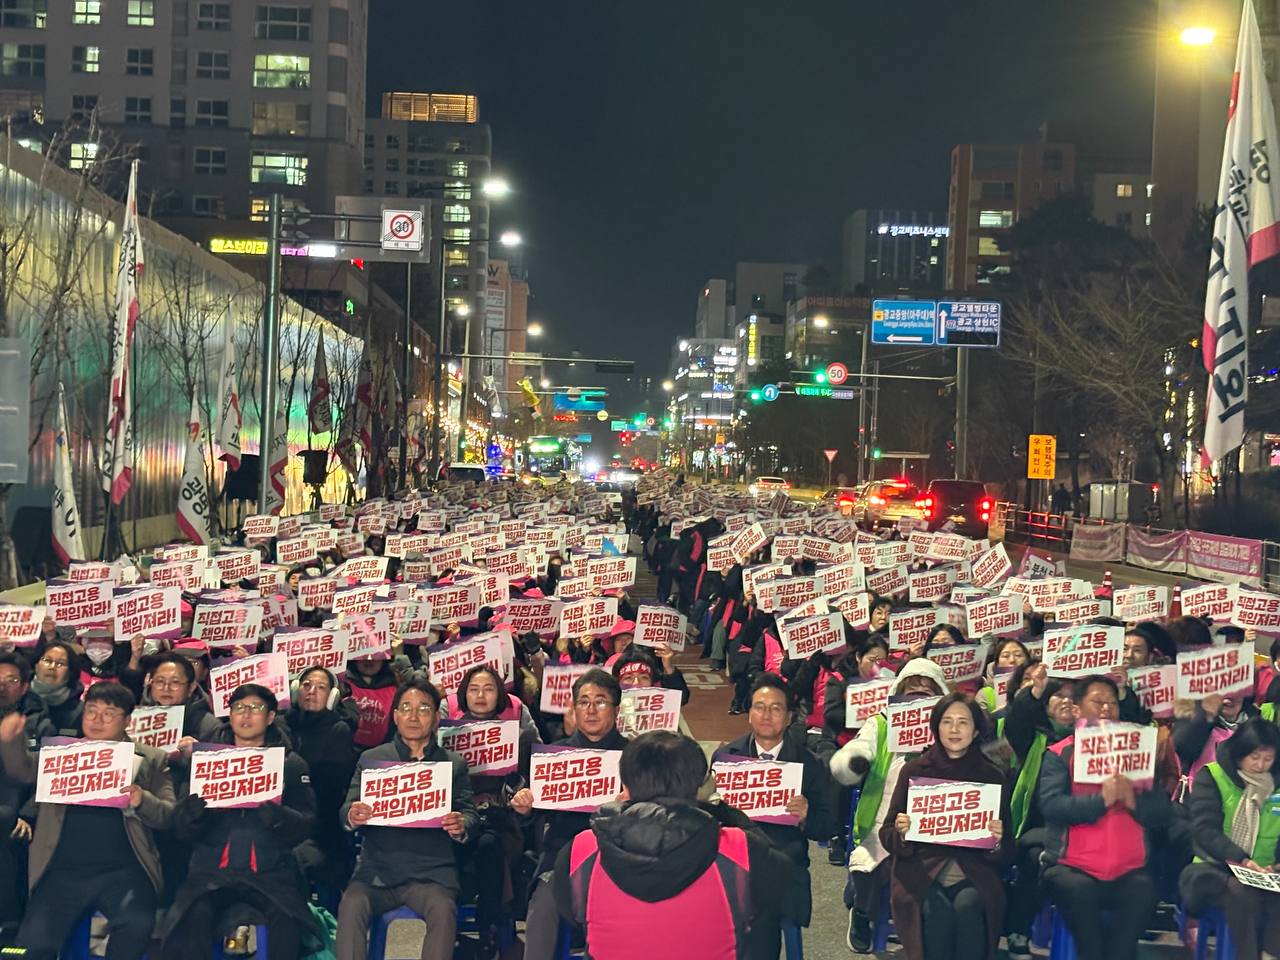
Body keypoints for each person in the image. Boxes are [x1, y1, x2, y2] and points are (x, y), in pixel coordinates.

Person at [553, 730, 802, 960]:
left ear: (625, 787)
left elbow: (572, 914)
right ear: (699, 788)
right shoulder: (739, 849)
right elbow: (787, 885)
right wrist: (725, 812)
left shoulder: (580, 851)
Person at [0, 683, 174, 960]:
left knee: (137, 925)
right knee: (30, 946)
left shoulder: (152, 759)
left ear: (127, 720)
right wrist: (11, 740)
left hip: (125, 871)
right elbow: (22, 769)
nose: (97, 719)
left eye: (109, 713)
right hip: (62, 870)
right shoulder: (62, 753)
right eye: (91, 711)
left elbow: (168, 815)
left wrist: (143, 800)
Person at [161, 684, 318, 960]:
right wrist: (194, 813)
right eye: (238, 708)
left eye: (256, 708)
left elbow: (306, 825)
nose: (246, 715)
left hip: (271, 875)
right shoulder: (205, 762)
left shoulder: (290, 764)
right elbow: (181, 829)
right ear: (229, 715)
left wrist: (278, 817)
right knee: (192, 920)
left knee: (287, 926)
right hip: (210, 874)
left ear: (270, 717)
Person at [338, 678, 478, 960]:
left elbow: (471, 815)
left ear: (437, 718)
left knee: (443, 910)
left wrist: (462, 824)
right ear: (396, 716)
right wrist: (353, 815)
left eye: (423, 709)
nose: (414, 717)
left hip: (431, 874)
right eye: (406, 708)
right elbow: (346, 810)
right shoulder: (372, 759)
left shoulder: (453, 764)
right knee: (351, 904)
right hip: (377, 873)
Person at [1039, 675, 1170, 960]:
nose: (1106, 709)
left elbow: (1162, 811)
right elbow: (1051, 806)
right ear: (1077, 710)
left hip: (1130, 869)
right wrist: (1102, 800)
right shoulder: (1060, 754)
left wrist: (1132, 799)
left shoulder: (1137, 752)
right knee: (1083, 911)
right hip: (1070, 867)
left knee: (1144, 894)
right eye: (1097, 702)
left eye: (1112, 703)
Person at [880, 694, 1012, 960]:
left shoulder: (992, 776)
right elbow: (887, 835)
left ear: (976, 731)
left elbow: (1009, 851)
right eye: (947, 721)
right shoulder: (914, 770)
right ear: (936, 727)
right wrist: (902, 832)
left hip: (974, 874)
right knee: (935, 913)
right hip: (921, 873)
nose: (954, 729)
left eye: (963, 722)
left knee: (969, 907)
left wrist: (997, 840)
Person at [831, 657, 948, 953]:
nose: (919, 692)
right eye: (912, 686)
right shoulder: (881, 723)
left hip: (935, 826)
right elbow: (860, 746)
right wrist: (854, 760)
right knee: (875, 867)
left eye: (927, 687)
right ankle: (862, 911)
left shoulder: (951, 727)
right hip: (883, 822)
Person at [511, 668, 628, 960]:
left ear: (616, 709)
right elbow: (534, 820)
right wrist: (526, 808)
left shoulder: (634, 757)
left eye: (600, 701)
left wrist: (630, 804)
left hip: (621, 861)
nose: (590, 710)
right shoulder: (554, 757)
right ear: (573, 709)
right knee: (544, 904)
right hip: (562, 859)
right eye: (583, 702)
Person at [717, 672, 836, 960]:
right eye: (759, 706)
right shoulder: (725, 757)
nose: (766, 715)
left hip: (781, 866)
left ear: (789, 716)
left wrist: (807, 815)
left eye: (775, 708)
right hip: (731, 861)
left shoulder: (810, 765)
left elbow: (826, 828)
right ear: (749, 714)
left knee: (760, 916)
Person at [451, 665, 541, 958]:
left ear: (500, 695)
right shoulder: (447, 734)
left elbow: (527, 782)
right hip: (458, 818)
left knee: (491, 846)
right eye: (474, 689)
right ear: (464, 694)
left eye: (488, 689)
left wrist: (518, 793)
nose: (480, 695)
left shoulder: (518, 736)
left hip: (502, 819)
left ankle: (488, 927)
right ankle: (453, 926)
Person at [1179, 717, 1280, 959]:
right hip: (1212, 868)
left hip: (1265, 872)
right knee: (1243, 893)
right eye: (1254, 757)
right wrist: (1241, 860)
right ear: (1239, 752)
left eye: (1268, 758)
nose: (1260, 765)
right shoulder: (1212, 776)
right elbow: (1204, 830)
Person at [287, 666, 359, 891]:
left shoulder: (339, 731)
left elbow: (331, 790)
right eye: (306, 685)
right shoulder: (282, 726)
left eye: (320, 687)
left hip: (320, 829)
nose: (311, 691)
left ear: (332, 697)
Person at [27, 641, 83, 734]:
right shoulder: (18, 699)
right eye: (47, 660)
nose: (52, 667)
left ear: (69, 672)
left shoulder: (79, 711)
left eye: (60, 663)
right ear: (36, 666)